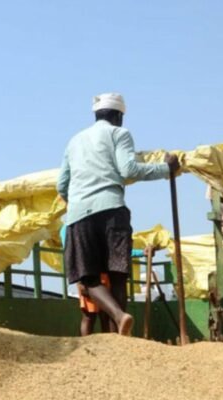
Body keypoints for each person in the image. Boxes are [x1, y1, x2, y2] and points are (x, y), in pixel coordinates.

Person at [57, 92, 179, 336]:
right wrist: (167, 169)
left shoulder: (74, 141)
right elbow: (128, 170)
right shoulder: (119, 134)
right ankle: (120, 331)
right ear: (118, 116)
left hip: (80, 215)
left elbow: (62, 185)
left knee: (89, 278)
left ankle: (119, 319)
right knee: (118, 275)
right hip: (113, 210)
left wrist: (80, 201)